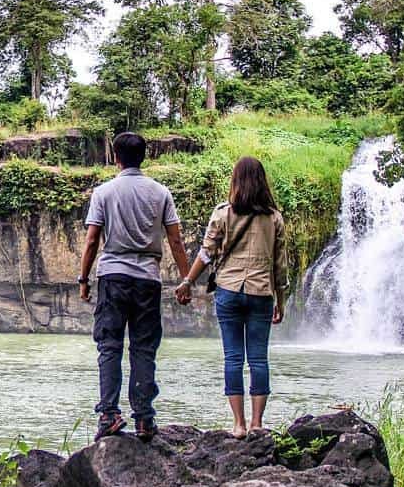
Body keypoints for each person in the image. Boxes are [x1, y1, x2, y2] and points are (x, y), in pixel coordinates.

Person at [79, 132, 192, 442]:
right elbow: (176, 239)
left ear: (116, 158)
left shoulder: (104, 192)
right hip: (147, 278)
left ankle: (109, 415)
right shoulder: (160, 192)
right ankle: (143, 419)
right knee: (143, 347)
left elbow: (91, 240)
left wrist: (84, 279)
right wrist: (185, 279)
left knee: (110, 345)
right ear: (145, 156)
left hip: (112, 276)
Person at [175, 157, 287, 439]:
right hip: (261, 292)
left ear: (235, 181)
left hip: (229, 291)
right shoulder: (274, 218)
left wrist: (188, 281)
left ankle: (238, 424)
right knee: (259, 359)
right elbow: (280, 265)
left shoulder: (223, 213)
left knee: (233, 358)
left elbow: (206, 252)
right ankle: (257, 423)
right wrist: (281, 300)